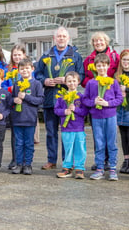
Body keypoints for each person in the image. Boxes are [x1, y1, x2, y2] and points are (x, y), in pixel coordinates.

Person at [35, 26, 84, 170]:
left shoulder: (75, 55)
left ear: (68, 39)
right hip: (50, 99)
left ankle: (67, 161)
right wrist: (44, 81)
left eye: (64, 36)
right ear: (54, 38)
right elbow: (37, 74)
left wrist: (68, 79)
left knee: (67, 132)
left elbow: (81, 75)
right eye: (59, 36)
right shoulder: (46, 55)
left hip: (68, 100)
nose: (61, 38)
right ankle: (51, 160)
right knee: (50, 132)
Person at [82, 32, 120, 171]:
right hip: (95, 102)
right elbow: (83, 77)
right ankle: (100, 162)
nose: (98, 43)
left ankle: (112, 163)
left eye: (101, 40)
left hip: (110, 103)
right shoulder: (88, 60)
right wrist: (93, 84)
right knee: (98, 137)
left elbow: (119, 74)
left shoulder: (115, 56)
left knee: (111, 138)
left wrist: (109, 88)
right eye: (95, 41)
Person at [11, 59, 44, 175]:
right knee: (18, 143)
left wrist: (26, 97)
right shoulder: (16, 84)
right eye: (22, 69)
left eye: (27, 68)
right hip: (17, 119)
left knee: (29, 143)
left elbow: (40, 100)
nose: (24, 70)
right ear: (18, 71)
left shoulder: (37, 84)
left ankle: (27, 164)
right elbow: (11, 99)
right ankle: (19, 164)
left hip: (30, 119)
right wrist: (14, 100)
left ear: (32, 69)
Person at [54, 71, 89, 179]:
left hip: (78, 128)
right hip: (66, 128)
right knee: (68, 148)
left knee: (80, 148)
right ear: (65, 82)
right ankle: (67, 168)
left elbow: (85, 112)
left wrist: (76, 109)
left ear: (78, 82)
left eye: (74, 81)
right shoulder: (61, 97)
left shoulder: (81, 97)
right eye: (69, 81)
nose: (71, 83)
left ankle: (79, 168)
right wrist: (65, 112)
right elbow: (56, 110)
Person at [4, 44, 26, 170]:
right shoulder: (9, 70)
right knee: (15, 134)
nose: (17, 57)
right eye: (15, 55)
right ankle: (15, 158)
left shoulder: (27, 68)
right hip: (13, 103)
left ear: (24, 55)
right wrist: (10, 89)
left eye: (19, 54)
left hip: (26, 105)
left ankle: (24, 159)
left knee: (26, 135)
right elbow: (4, 85)